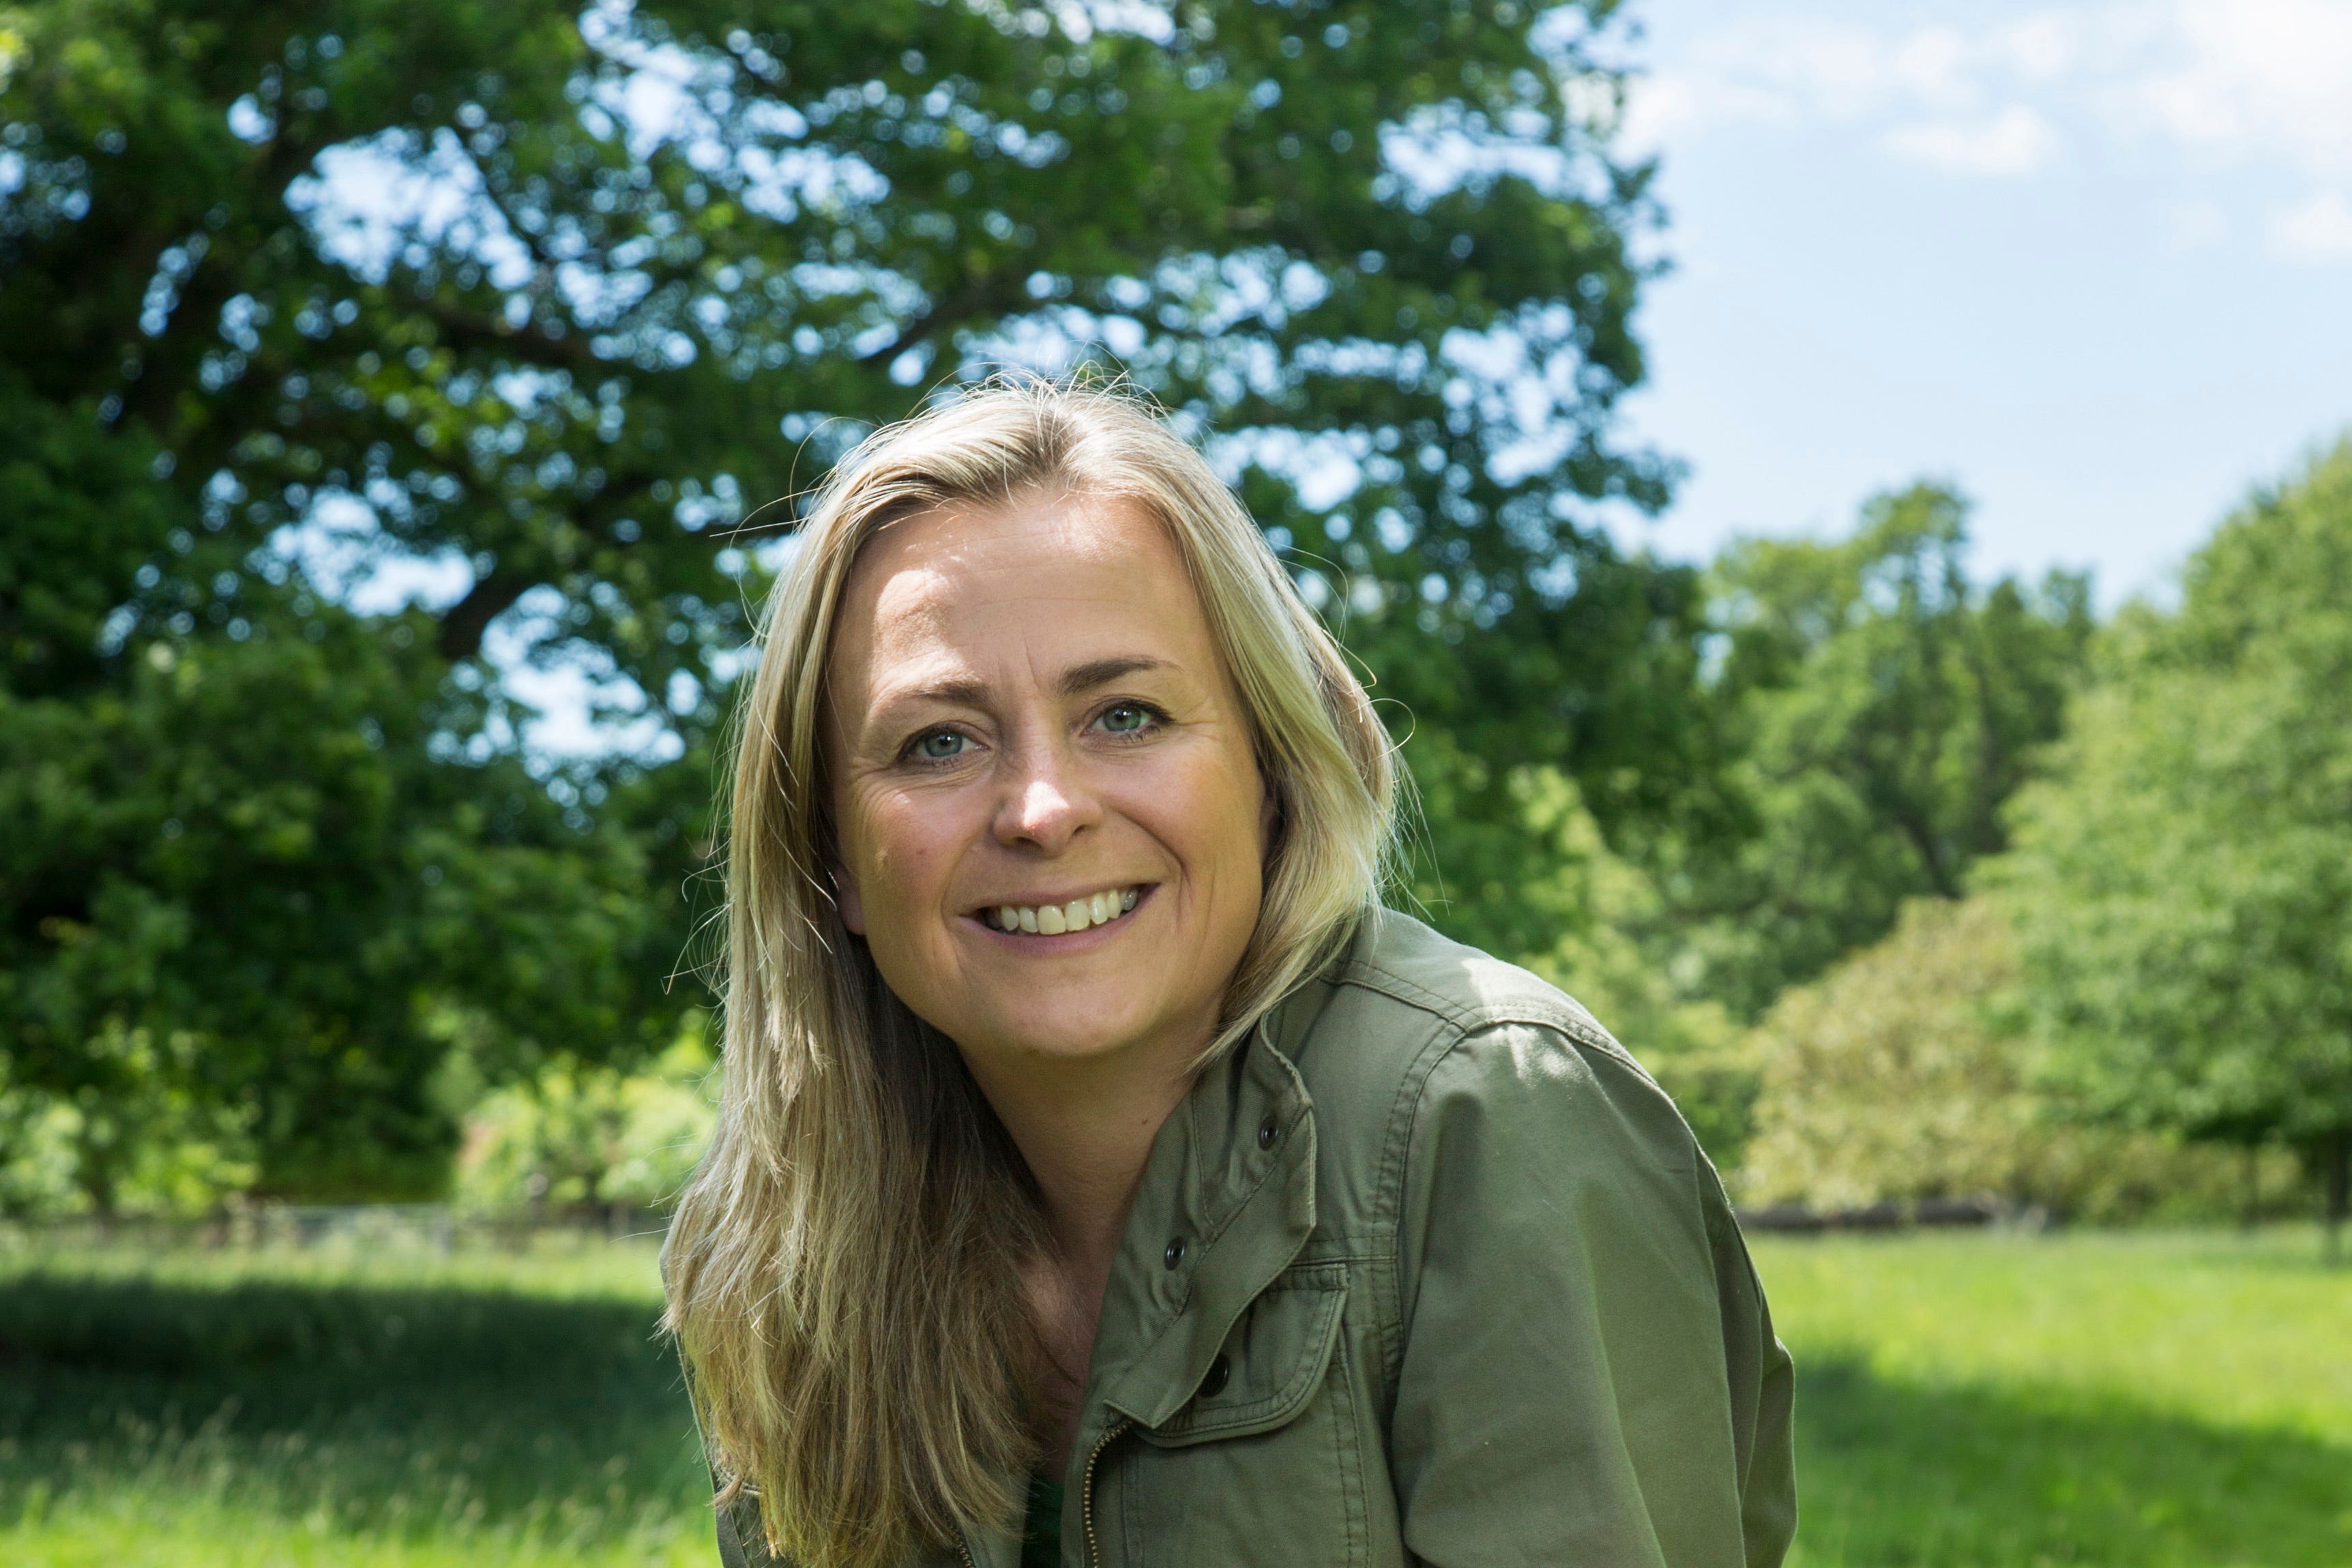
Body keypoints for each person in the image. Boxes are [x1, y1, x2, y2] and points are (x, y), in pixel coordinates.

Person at [661, 381, 1796, 1568]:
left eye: (1128, 715)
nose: (1043, 811)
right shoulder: (792, 1240)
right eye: (938, 741)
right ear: (831, 855)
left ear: (1271, 769)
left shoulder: (1489, 1111)